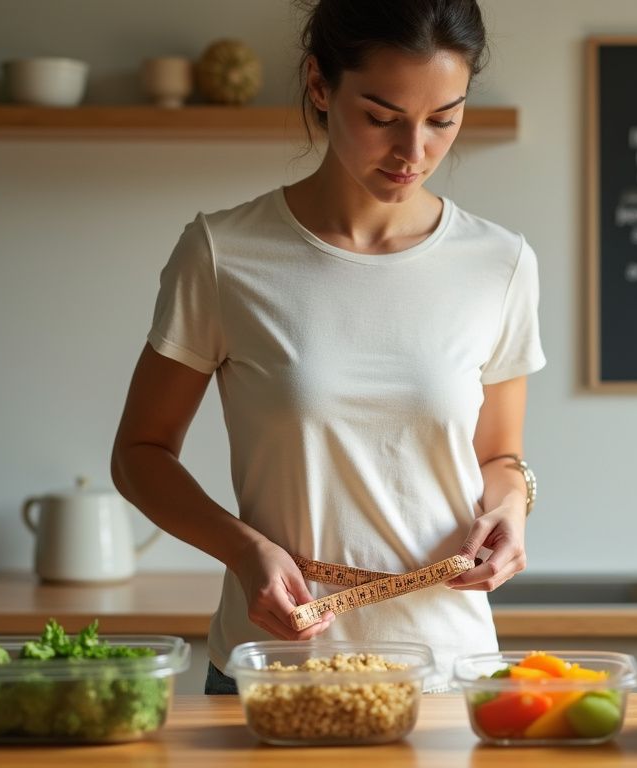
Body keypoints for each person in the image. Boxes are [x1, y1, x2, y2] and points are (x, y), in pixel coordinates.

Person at [111, 0, 544, 694]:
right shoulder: (223, 254)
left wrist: (510, 510)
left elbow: (498, 456)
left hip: (447, 670)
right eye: (381, 116)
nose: (414, 152)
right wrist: (243, 549)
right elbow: (139, 455)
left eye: (444, 119)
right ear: (319, 85)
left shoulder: (501, 264)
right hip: (274, 667)